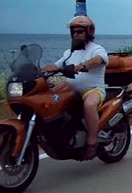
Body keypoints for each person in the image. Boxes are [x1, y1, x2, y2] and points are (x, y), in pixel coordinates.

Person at [43, 16, 108, 160]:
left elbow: (99, 59)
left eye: (80, 31)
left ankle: (92, 142)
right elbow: (56, 65)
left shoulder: (97, 49)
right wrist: (38, 70)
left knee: (89, 105)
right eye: (74, 31)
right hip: (70, 91)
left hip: (92, 90)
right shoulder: (69, 52)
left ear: (89, 32)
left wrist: (83, 66)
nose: (76, 34)